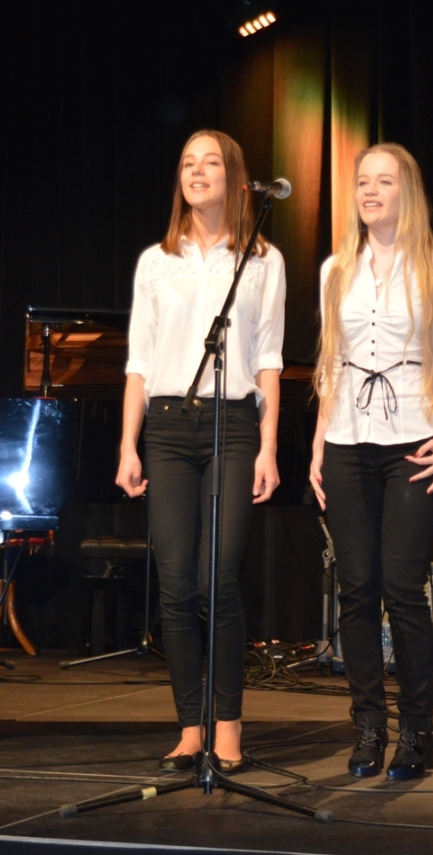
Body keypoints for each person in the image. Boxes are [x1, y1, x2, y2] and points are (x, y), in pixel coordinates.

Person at [116, 129, 286, 775]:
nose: (196, 171)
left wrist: (270, 446)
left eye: (210, 162)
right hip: (165, 426)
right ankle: (190, 727)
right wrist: (127, 445)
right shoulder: (156, 261)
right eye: (188, 163)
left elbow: (268, 359)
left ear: (236, 179)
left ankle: (229, 727)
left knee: (218, 580)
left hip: (234, 425)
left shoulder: (262, 260)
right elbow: (138, 362)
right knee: (177, 585)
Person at [309, 143, 433, 780]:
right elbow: (330, 364)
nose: (370, 191)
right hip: (347, 443)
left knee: (403, 585)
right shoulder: (335, 270)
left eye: (384, 181)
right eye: (362, 182)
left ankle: (418, 733)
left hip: (415, 441)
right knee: (356, 587)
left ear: (409, 193)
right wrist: (318, 445)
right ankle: (369, 727)